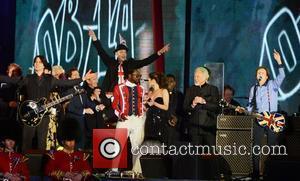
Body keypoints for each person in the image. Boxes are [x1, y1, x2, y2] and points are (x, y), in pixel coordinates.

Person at [0, 55, 96, 152]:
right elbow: (11, 80)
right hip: (30, 114)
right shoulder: (28, 78)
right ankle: (25, 165)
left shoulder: (50, 79)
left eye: (39, 62)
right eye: (35, 62)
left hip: (44, 116)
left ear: (43, 65)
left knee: (42, 144)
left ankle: (41, 165)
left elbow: (66, 83)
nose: (37, 64)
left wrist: (83, 79)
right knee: (26, 143)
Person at [237, 49, 285, 179]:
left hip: (272, 118)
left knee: (272, 146)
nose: (259, 74)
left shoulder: (273, 84)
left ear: (267, 76)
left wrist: (279, 62)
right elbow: (250, 105)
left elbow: (282, 76)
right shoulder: (254, 88)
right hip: (258, 118)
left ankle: (273, 172)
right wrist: (243, 110)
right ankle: (256, 173)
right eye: (258, 72)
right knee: (255, 146)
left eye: (262, 72)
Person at [88, 29, 170, 93]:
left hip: (127, 93)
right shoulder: (111, 62)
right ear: (116, 54)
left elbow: (145, 61)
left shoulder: (131, 63)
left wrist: (159, 53)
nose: (123, 54)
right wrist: (94, 38)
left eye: (125, 52)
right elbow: (101, 51)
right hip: (112, 93)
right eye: (121, 52)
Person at [111, 69, 146, 175]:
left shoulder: (141, 88)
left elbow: (141, 103)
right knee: (118, 144)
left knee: (137, 146)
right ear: (130, 75)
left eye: (140, 76)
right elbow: (114, 104)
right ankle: (114, 170)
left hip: (138, 120)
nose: (139, 77)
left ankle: (137, 171)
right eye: (137, 75)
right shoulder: (119, 87)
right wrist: (119, 114)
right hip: (124, 119)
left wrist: (143, 112)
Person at [64, 68, 100, 150]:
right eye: (75, 75)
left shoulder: (81, 88)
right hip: (72, 122)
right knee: (73, 147)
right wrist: (84, 111)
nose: (78, 77)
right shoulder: (67, 90)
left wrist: (96, 107)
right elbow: (69, 107)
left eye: (78, 75)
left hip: (82, 123)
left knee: (81, 146)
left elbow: (86, 101)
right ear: (69, 78)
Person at [183, 67, 219, 147]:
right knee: (195, 154)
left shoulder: (213, 89)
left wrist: (203, 102)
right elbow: (185, 108)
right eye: (195, 76)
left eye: (198, 76)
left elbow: (216, 107)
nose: (195, 78)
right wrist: (193, 104)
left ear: (205, 77)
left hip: (209, 127)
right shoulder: (190, 90)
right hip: (194, 127)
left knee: (212, 153)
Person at [144, 72, 169, 144]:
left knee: (159, 141)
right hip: (149, 118)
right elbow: (147, 107)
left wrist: (154, 103)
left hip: (160, 119)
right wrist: (145, 102)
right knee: (149, 140)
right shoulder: (151, 92)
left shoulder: (163, 91)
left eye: (149, 79)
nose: (148, 81)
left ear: (154, 80)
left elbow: (166, 107)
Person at [165, 74, 184, 144]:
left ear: (175, 83)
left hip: (176, 126)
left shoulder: (179, 95)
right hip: (164, 123)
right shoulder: (161, 94)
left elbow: (183, 111)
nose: (169, 83)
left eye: (171, 81)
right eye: (167, 81)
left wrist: (177, 118)